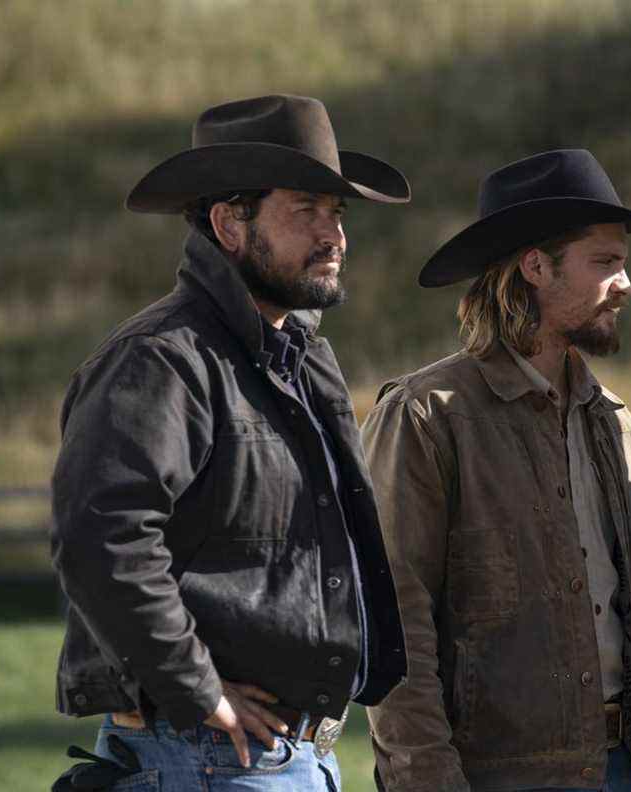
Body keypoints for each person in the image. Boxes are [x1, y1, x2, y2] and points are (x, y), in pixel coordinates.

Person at [50, 94, 411, 791]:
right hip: (207, 759)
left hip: (289, 759)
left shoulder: (299, 358)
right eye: (306, 208)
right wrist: (198, 688)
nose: (334, 235)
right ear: (229, 224)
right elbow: (103, 538)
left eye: (338, 213)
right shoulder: (160, 360)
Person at [362, 149, 631, 791]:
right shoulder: (426, 421)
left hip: (630, 771)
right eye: (605, 263)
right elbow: (395, 632)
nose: (626, 284)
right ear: (536, 267)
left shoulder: (618, 428)